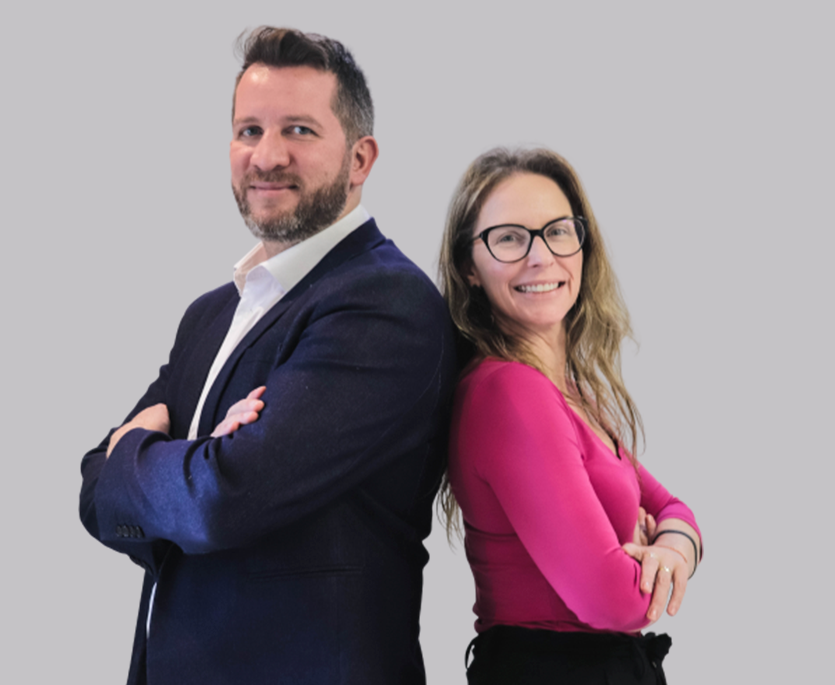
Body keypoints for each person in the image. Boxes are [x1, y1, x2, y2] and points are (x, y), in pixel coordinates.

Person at [79, 27, 457, 685]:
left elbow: (222, 500)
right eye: (249, 130)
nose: (267, 155)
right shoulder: (210, 314)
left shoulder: (385, 303)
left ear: (360, 159)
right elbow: (94, 490)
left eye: (299, 131)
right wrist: (196, 464)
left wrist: (136, 453)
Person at [438, 147, 702, 684]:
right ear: (469, 267)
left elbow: (676, 509)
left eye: (558, 231)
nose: (540, 257)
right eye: (509, 238)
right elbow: (616, 601)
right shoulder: (509, 392)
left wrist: (672, 546)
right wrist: (655, 554)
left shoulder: (569, 393)